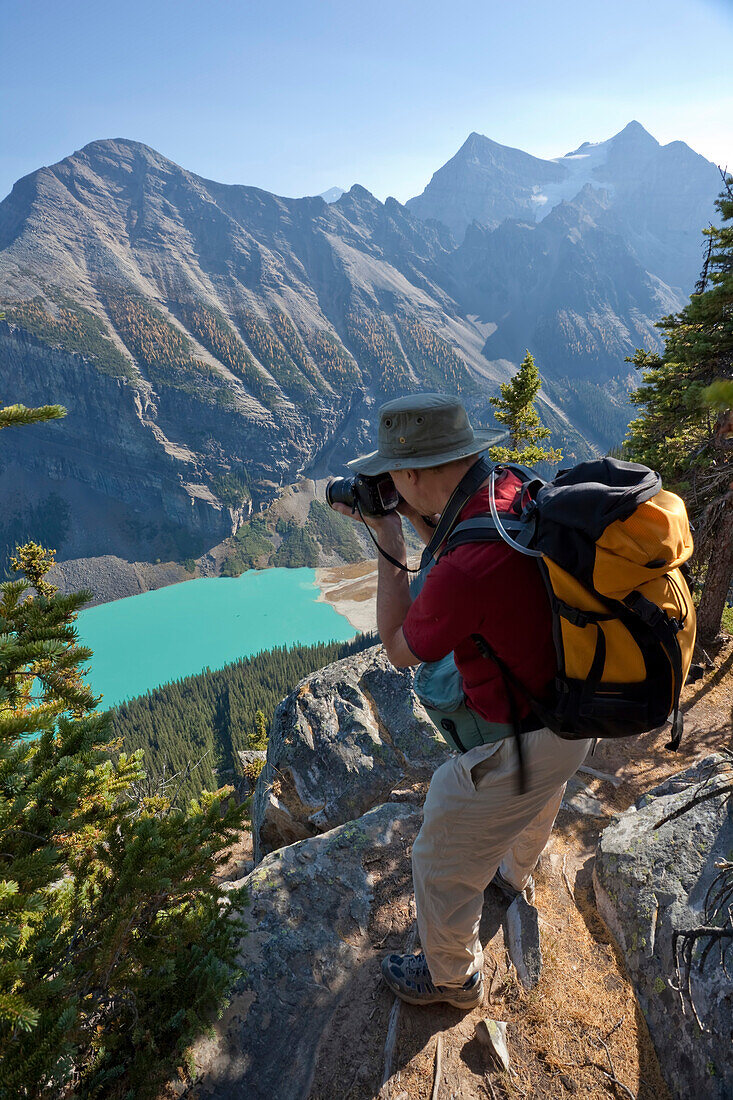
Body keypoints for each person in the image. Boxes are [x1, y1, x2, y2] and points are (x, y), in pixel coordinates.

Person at [331, 392, 591, 1009]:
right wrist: (414, 516)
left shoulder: (469, 566)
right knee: (540, 795)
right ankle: (512, 876)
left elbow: (398, 648)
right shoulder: (505, 491)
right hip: (574, 709)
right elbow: (453, 547)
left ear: (415, 474)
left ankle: (451, 977)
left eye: (394, 475)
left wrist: (386, 535)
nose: (389, 484)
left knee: (439, 857)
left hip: (526, 743)